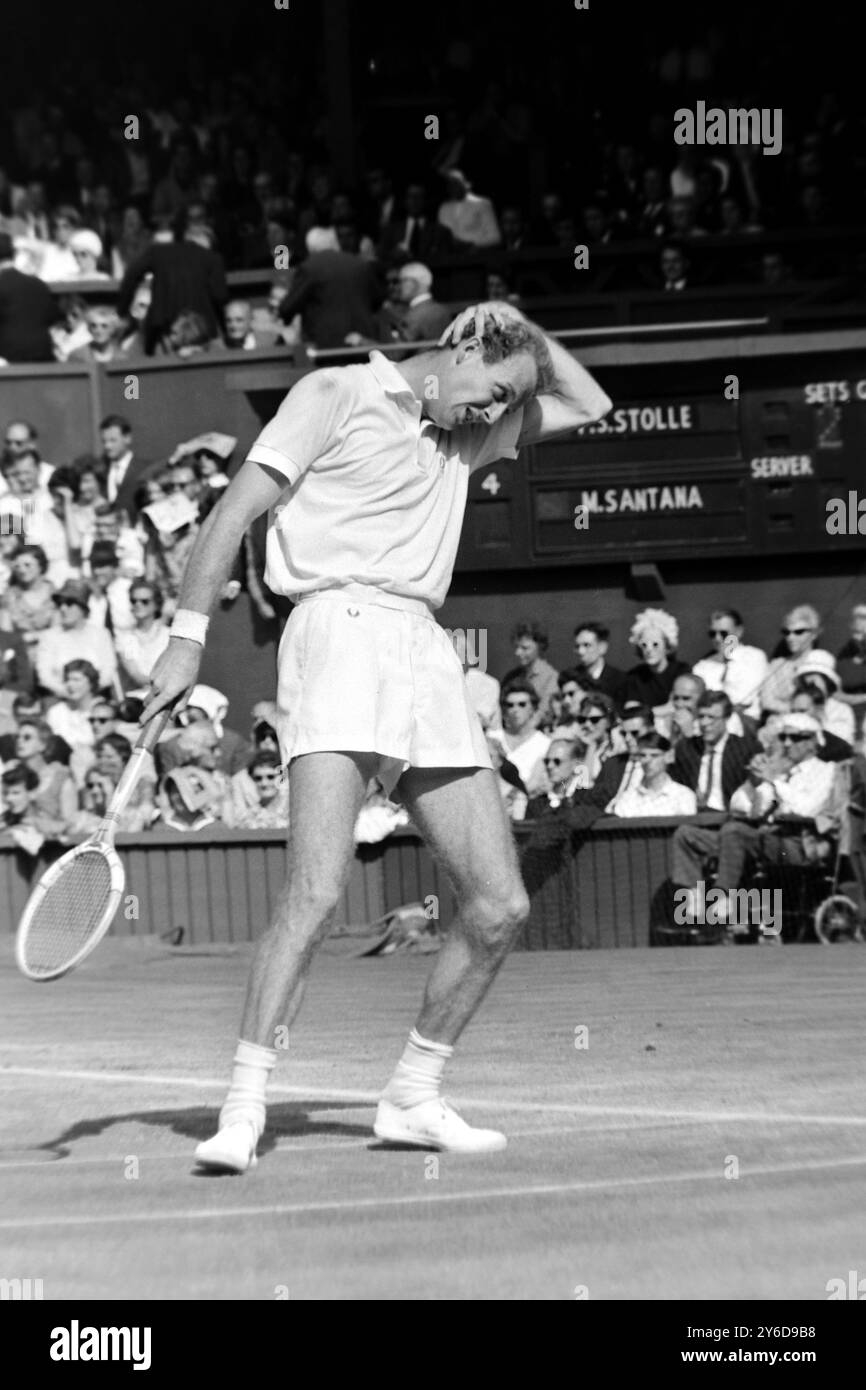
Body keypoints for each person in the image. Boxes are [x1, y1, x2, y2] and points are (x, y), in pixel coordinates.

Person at [141, 295, 612, 1170]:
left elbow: (591, 405)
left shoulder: (474, 431)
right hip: (335, 633)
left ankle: (412, 1096)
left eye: (508, 402)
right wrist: (185, 639)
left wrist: (523, 324)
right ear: (458, 348)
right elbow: (230, 515)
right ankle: (243, 1109)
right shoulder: (333, 392)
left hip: (422, 654)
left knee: (500, 904)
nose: (494, 414)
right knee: (316, 894)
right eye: (490, 392)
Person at [34, 578, 118, 698]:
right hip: (60, 699)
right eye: (60, 604)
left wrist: (87, 693)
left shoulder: (101, 634)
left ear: (83, 607)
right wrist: (70, 693)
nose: (63, 608)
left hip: (95, 698)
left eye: (69, 603)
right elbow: (45, 676)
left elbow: (108, 672)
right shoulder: (49, 637)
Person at [690, 609, 768, 720]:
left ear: (739, 631)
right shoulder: (702, 667)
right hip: (709, 720)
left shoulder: (753, 657)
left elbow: (744, 700)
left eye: (723, 633)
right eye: (712, 634)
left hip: (744, 720)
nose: (717, 638)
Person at [758, 605, 835, 715]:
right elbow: (767, 701)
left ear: (814, 634)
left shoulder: (822, 662)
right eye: (787, 632)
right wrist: (795, 710)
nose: (790, 637)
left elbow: (823, 701)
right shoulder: (777, 664)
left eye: (798, 632)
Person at [608, 732, 697, 818]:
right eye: (642, 755)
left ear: (668, 757)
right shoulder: (628, 798)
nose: (647, 761)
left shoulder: (683, 796)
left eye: (654, 755)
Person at [0, 231, 57, 362]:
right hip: (44, 358)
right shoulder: (38, 284)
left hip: (9, 361)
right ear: (14, 255)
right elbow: (52, 317)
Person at [620, 609, 691, 708]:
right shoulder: (635, 676)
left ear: (667, 646)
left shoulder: (681, 671)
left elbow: (674, 707)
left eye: (655, 644)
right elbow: (631, 709)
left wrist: (647, 713)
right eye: (644, 645)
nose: (649, 650)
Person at [114, 580, 170, 692]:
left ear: (157, 604)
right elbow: (136, 675)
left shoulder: (170, 635)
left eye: (145, 601)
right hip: (137, 700)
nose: (138, 605)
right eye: (133, 601)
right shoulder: (126, 638)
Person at [500, 621, 559, 726]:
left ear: (539, 647)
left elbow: (544, 713)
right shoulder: (511, 676)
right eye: (517, 647)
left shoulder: (551, 677)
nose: (518, 653)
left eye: (525, 648)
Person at [393, 264, 452, 342]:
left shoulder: (415, 316)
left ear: (415, 282)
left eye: (402, 281)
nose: (398, 287)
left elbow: (395, 352)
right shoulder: (441, 310)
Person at [234, 751, 290, 829]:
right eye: (258, 778)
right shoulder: (250, 814)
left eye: (270, 777)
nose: (264, 783)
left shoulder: (291, 808)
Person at [572, 622, 625, 701]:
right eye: (577, 646)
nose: (580, 651)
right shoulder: (571, 678)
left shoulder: (620, 680)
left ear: (602, 647)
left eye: (587, 645)